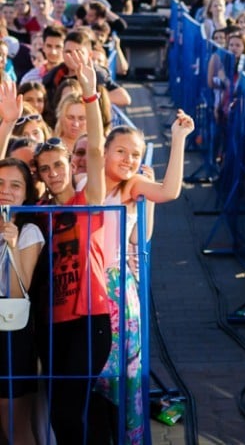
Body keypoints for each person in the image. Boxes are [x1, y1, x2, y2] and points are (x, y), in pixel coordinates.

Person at [95, 110, 193, 444]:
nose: (128, 159)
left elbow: (169, 191)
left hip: (118, 291)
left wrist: (178, 140)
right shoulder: (85, 182)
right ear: (105, 151)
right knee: (92, 376)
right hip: (87, 289)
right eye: (121, 151)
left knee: (126, 374)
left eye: (135, 154)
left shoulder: (133, 185)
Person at [35, 50, 111, 443]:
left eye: (58, 165)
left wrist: (89, 96)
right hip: (52, 321)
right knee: (63, 415)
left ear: (69, 165)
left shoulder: (88, 201)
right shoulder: (37, 212)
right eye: (45, 169)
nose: (52, 173)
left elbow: (97, 151)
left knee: (69, 413)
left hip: (89, 318)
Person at [0, 158, 43, 443]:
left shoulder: (29, 232)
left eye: (15, 185)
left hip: (12, 334)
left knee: (14, 422)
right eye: (0, 184)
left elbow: (19, 291)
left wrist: (12, 246)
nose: (6, 190)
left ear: (26, 193)